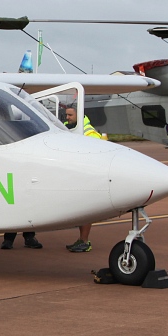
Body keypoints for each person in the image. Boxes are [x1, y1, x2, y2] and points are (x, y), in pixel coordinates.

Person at [63, 105, 105, 252]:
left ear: (79, 115)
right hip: (73, 176)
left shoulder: (90, 133)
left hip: (86, 178)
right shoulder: (66, 128)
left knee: (85, 210)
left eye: (70, 115)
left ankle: (84, 241)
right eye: (66, 115)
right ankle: (81, 240)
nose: (67, 118)